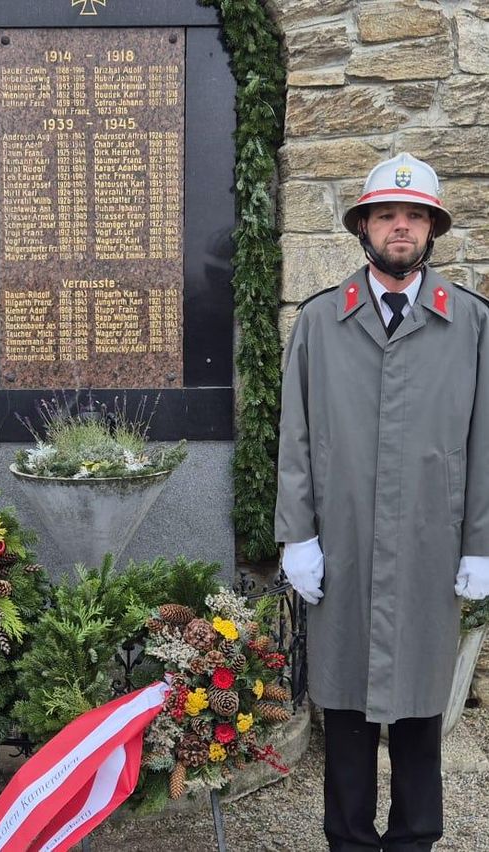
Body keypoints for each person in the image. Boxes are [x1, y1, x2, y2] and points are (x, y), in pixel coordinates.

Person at [275, 153, 489, 852]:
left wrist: (481, 543)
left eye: (415, 216)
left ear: (432, 229)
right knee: (344, 704)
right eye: (388, 215)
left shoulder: (471, 326)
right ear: (363, 226)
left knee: (422, 704)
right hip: (345, 541)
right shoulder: (319, 324)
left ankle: (415, 838)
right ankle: (349, 839)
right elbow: (297, 438)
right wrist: (296, 536)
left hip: (431, 540)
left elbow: (485, 440)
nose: (402, 227)